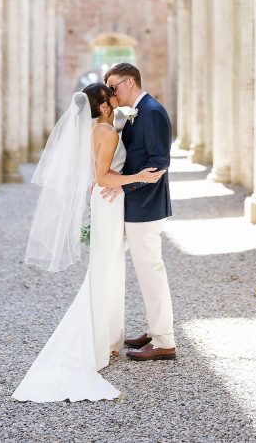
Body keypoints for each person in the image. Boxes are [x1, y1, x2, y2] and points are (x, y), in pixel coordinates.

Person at [11, 83, 164, 403]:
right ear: (105, 104)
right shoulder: (105, 133)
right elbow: (104, 177)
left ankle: (107, 337)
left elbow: (102, 172)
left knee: (109, 268)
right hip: (108, 203)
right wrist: (141, 178)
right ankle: (95, 339)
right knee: (105, 268)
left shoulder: (104, 127)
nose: (115, 94)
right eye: (111, 93)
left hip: (109, 201)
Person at [102, 63, 176, 361]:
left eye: (113, 87)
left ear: (130, 82)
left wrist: (124, 188)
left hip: (146, 205)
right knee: (146, 272)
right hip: (137, 204)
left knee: (151, 272)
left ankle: (164, 342)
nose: (110, 93)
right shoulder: (135, 113)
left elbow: (159, 164)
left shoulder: (153, 112)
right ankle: (155, 329)